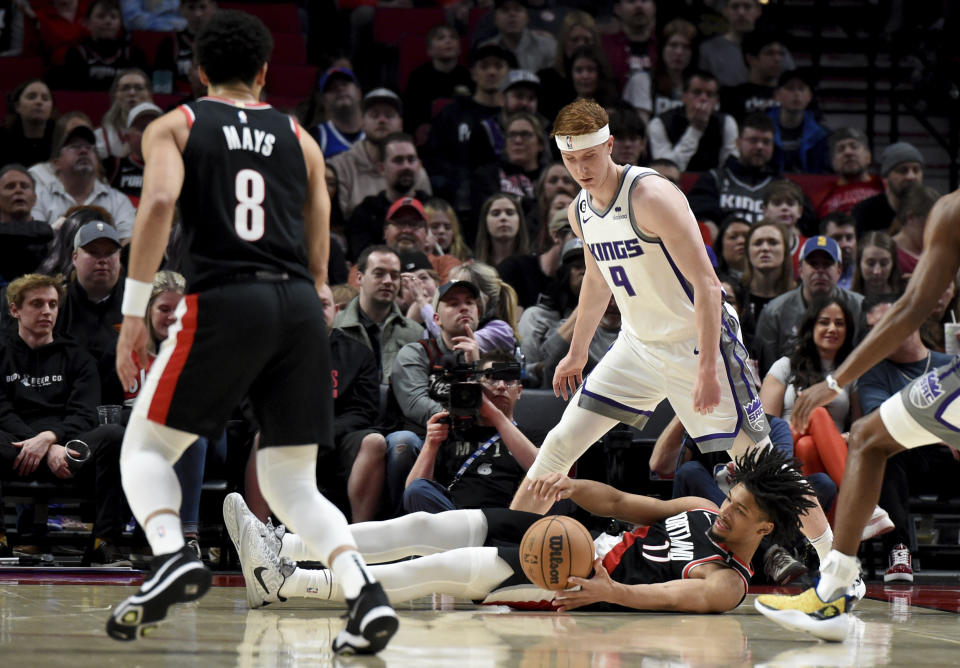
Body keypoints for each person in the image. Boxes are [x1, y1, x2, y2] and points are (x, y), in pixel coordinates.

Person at [105, 11, 398, 653]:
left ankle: (169, 555)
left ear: (198, 71)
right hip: (296, 304)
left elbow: (155, 205)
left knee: (145, 450)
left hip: (224, 296)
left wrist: (132, 314)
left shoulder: (176, 123)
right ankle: (363, 593)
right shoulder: (300, 136)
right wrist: (320, 286)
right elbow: (319, 206)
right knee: (293, 483)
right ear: (264, 73)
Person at [507, 99, 782, 528]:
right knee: (560, 442)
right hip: (638, 344)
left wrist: (709, 367)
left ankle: (832, 558)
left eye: (589, 156)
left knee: (758, 464)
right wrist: (577, 353)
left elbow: (709, 286)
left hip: (696, 341)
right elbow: (597, 282)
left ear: (611, 145)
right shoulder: (579, 211)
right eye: (570, 159)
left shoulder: (650, 194)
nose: (581, 169)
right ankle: (512, 547)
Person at [228, 446, 815, 614]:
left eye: (738, 511)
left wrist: (609, 593)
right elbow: (620, 500)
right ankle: (287, 546)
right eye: (729, 500)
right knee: (433, 525)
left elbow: (667, 594)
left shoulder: (729, 583)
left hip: (572, 579)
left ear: (763, 526)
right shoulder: (698, 507)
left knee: (438, 572)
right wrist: (569, 488)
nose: (725, 512)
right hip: (574, 536)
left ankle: (285, 585)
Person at [753, 187, 960, 643]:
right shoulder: (950, 212)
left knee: (863, 435)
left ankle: (834, 588)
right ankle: (836, 583)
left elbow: (910, 309)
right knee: (867, 435)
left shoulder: (950, 211)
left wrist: (833, 382)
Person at [0, 273, 127, 565]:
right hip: (16, 450)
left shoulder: (78, 357)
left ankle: (103, 543)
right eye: (37, 304)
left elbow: (84, 414)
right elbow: (3, 412)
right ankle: (1, 540)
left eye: (53, 304)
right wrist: (37, 444)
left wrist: (50, 439)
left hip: (69, 452)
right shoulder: (3, 355)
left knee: (113, 435)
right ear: (15, 310)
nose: (47, 311)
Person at [856, 293, 960, 584]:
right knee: (885, 450)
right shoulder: (873, 373)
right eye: (876, 327)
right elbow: (882, 423)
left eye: (890, 321)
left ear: (912, 318)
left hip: (950, 458)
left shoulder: (949, 361)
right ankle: (898, 550)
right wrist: (945, 433)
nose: (885, 331)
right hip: (906, 460)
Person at [402, 350, 535, 513]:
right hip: (452, 516)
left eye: (508, 380)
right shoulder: (450, 432)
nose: (501, 386)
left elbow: (542, 470)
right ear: (476, 387)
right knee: (417, 489)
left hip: (501, 520)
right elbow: (412, 494)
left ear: (519, 391)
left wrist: (495, 415)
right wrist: (431, 444)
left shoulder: (532, 436)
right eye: (492, 378)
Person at [752, 236, 863, 377]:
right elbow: (765, 369)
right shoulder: (774, 312)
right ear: (800, 270)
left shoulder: (859, 307)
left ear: (839, 271)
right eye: (813, 264)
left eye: (827, 264)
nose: (820, 271)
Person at [330, 88, 432, 219]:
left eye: (389, 115)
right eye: (374, 115)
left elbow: (428, 217)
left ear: (401, 124)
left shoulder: (415, 171)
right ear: (362, 123)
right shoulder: (340, 167)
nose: (382, 120)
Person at [334, 245, 423, 384]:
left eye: (394, 275)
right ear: (359, 278)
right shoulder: (334, 326)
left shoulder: (415, 333)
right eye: (379, 273)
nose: (388, 281)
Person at [31, 124, 137, 239]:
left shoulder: (118, 201)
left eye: (89, 147)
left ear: (97, 161)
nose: (83, 151)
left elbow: (126, 242)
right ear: (57, 163)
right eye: (75, 146)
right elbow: (37, 241)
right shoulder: (40, 197)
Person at [345, 132, 431, 260]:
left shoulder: (433, 208)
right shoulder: (365, 212)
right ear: (381, 168)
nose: (406, 166)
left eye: (411, 159)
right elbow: (361, 261)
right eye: (398, 160)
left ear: (419, 165)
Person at [647, 70, 738, 172]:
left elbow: (730, 167)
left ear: (716, 100)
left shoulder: (727, 122)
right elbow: (666, 171)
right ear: (684, 96)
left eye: (710, 94)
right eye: (697, 92)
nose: (703, 98)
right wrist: (695, 130)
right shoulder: (660, 123)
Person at [403, 24, 473, 141]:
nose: (448, 41)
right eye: (441, 38)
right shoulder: (418, 76)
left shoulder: (469, 76)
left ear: (460, 49)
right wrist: (418, 127)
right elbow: (411, 110)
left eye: (453, 37)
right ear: (429, 50)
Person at [851, 141, 925, 235]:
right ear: (885, 178)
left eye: (916, 170)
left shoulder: (932, 209)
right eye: (903, 170)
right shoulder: (864, 212)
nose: (911, 176)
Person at [768, 68, 830, 174]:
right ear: (777, 95)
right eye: (790, 88)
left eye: (801, 89)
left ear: (809, 96)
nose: (796, 93)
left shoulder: (822, 136)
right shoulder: (762, 130)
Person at [719, 30, 786, 124]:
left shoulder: (789, 94)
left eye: (781, 54)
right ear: (751, 58)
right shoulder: (730, 96)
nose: (777, 59)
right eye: (770, 53)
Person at [0, 165, 53, 284]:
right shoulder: (48, 232)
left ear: (34, 199)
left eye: (24, 186)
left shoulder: (50, 242)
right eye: (10, 186)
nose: (18, 190)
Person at [814, 128, 883, 219]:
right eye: (840, 149)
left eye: (854, 147)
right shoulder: (820, 198)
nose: (848, 152)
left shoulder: (885, 187)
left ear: (868, 156)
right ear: (833, 162)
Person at [480, 0, 556, 74]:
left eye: (518, 9)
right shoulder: (485, 49)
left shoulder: (547, 45)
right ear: (495, 19)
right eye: (505, 10)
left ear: (527, 18)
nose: (512, 14)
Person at [308, 66, 363, 160]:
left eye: (345, 84)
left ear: (359, 92)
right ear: (324, 101)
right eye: (332, 88)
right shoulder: (314, 138)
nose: (340, 89)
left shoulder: (377, 132)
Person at [602, 0, 658, 89]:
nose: (639, 5)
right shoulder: (604, 47)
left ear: (654, 6)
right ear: (618, 9)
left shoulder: (668, 45)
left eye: (644, 0)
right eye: (631, 1)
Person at [0, 79, 56, 169]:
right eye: (31, 97)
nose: (39, 102)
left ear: (52, 108)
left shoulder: (61, 140)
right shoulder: (3, 139)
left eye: (45, 98)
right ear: (17, 106)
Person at [892, 183, 940, 278]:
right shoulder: (889, 254)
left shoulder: (937, 252)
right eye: (931, 223)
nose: (935, 230)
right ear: (910, 218)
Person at [850, 231, 903, 298]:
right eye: (870, 264)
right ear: (859, 263)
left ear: (893, 264)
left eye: (884, 264)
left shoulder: (906, 294)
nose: (877, 271)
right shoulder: (848, 300)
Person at [821, 212, 857, 290]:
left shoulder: (868, 273)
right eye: (837, 238)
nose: (845, 244)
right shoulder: (812, 277)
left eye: (849, 238)